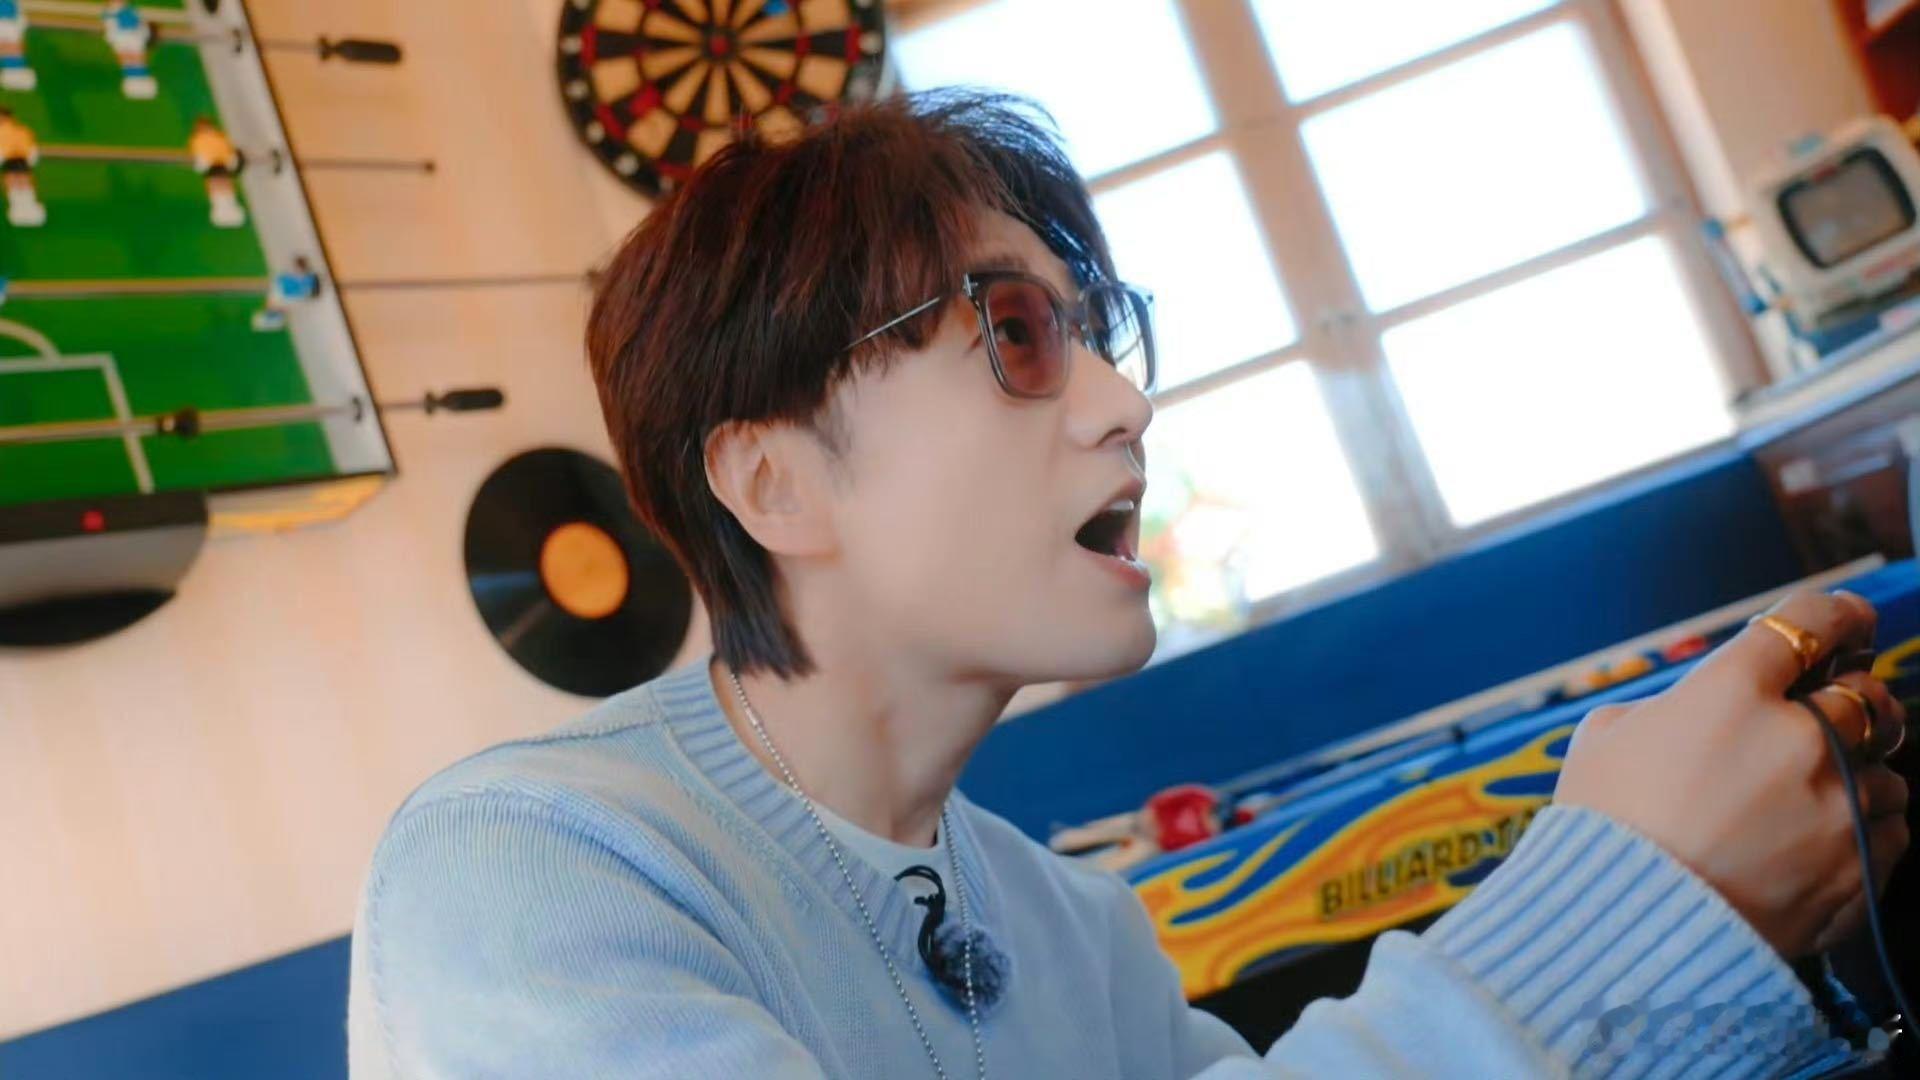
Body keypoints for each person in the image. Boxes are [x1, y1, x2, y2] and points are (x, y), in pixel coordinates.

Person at [346, 91, 1910, 1078]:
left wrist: (1739, 930)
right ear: (775, 483)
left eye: (1100, 334)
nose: (1126, 401)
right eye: (1017, 332)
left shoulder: (1068, 924)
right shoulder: (527, 869)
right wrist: (1623, 895)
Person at [187, 117, 245, 229]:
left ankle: (229, 206)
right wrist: (202, 161)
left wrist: (231, 157)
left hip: (222, 164)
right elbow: (197, 152)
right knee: (217, 185)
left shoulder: (218, 136)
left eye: (206, 127)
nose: (205, 129)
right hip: (212, 166)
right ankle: (221, 207)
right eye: (202, 128)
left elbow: (227, 147)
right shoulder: (198, 140)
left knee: (224, 185)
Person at [101, 0, 155, 100]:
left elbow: (139, 22)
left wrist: (143, 32)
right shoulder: (110, 14)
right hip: (122, 39)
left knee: (138, 60)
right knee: (129, 60)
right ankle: (134, 85)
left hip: (135, 37)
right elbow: (111, 29)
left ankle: (141, 84)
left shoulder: (131, 9)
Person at [0, 106, 44, 227]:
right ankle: (31, 214)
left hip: (11, 162)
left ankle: (21, 214)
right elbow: (32, 151)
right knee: (24, 186)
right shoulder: (23, 130)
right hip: (22, 162)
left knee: (15, 186)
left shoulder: (8, 132)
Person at [0, 0, 33, 93]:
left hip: (10, 20)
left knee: (12, 51)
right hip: (10, 21)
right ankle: (14, 75)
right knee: (11, 49)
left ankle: (14, 75)